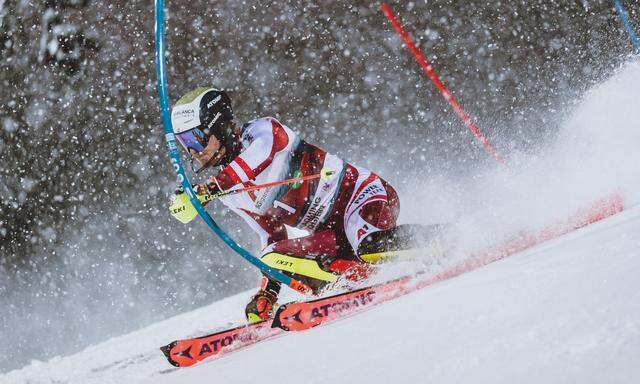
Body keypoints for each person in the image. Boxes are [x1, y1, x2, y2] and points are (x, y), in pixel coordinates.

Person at [170, 87, 401, 324]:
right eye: (184, 143)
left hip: (364, 198)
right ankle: (353, 279)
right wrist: (268, 291)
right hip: (333, 235)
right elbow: (272, 236)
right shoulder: (229, 193)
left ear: (218, 125)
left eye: (195, 139)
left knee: (369, 247)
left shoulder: (263, 131)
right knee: (272, 257)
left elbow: (255, 159)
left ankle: (433, 243)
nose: (192, 151)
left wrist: (207, 190)